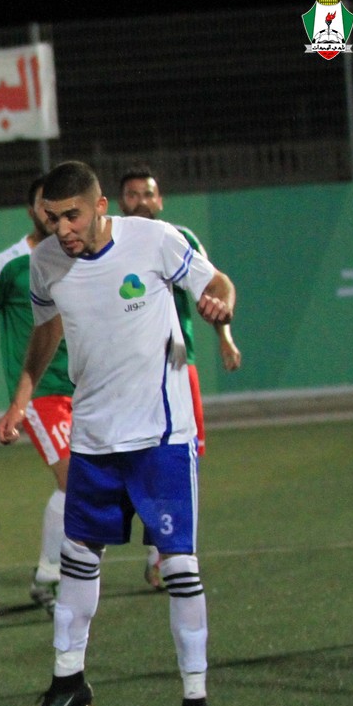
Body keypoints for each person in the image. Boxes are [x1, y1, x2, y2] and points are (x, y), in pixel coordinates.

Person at [0, 160, 235, 706]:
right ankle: (67, 681)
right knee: (78, 559)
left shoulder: (154, 240)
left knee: (179, 568)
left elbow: (218, 284)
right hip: (94, 438)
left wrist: (221, 307)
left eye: (72, 216)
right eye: (52, 218)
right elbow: (46, 329)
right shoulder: (46, 263)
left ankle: (196, 703)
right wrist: (22, 395)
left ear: (101, 206)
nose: (62, 229)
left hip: (160, 438)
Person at [116, 166, 242, 589]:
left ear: (160, 199)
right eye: (133, 194)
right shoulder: (112, 243)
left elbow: (212, 290)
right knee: (132, 461)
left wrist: (225, 338)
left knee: (184, 459)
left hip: (177, 366)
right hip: (129, 373)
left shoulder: (179, 239)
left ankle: (164, 551)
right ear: (120, 201)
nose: (141, 201)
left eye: (147, 194)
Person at [0, 178, 71, 614]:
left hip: (88, 387)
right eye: (45, 206)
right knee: (73, 479)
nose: (52, 214)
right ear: (32, 211)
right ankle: (51, 574)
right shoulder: (11, 263)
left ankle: (62, 570)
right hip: (41, 392)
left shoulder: (78, 255)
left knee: (96, 485)